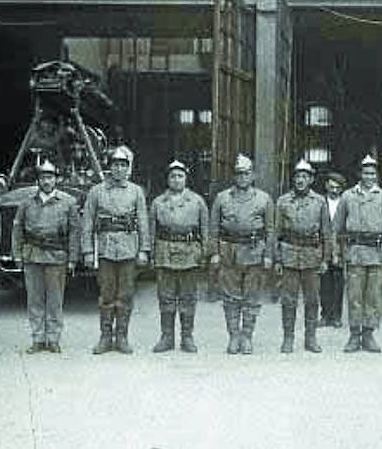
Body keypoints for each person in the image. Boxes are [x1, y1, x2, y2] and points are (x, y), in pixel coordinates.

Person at [81, 145, 150, 354]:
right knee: (106, 294)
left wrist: (144, 249)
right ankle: (105, 337)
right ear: (109, 167)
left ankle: (122, 337)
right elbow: (88, 222)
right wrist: (87, 250)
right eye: (115, 165)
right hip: (105, 249)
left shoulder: (136, 191)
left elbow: (143, 222)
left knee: (126, 294)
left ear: (127, 168)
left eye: (123, 165)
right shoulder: (96, 191)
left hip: (128, 248)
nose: (119, 169)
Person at [208, 154, 274, 355]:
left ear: (252, 175)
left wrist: (269, 255)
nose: (242, 177)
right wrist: (214, 253)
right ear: (234, 176)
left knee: (252, 297)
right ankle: (234, 336)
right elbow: (213, 228)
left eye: (246, 173)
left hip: (254, 251)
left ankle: (247, 336)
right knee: (230, 296)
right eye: (239, 174)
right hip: (229, 251)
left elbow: (270, 229)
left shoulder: (264, 199)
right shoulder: (222, 198)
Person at [12, 159, 79, 353]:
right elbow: (17, 230)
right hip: (33, 255)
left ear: (56, 179)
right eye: (43, 177)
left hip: (57, 256)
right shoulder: (26, 203)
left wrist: (73, 258)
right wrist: (17, 255)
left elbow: (74, 232)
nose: (47, 181)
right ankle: (38, 338)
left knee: (55, 300)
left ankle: (53, 339)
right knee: (35, 299)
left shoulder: (68, 203)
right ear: (38, 180)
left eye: (50, 177)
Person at [333, 155, 382, 353]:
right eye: (365, 172)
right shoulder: (348, 196)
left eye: (372, 173)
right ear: (359, 174)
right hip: (355, 253)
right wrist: (337, 251)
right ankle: (354, 335)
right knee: (354, 296)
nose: (369, 176)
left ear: (376, 175)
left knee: (373, 297)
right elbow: (337, 226)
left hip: (377, 253)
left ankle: (369, 334)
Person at [148, 160, 209, 353]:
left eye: (180, 176)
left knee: (188, 298)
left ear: (186, 178)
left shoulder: (197, 201)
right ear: (167, 179)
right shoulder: (158, 202)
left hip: (190, 253)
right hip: (165, 252)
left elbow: (205, 229)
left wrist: (205, 253)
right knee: (165, 298)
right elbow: (152, 230)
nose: (176, 179)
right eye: (173, 176)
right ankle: (167, 337)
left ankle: (187, 337)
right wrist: (150, 254)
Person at [274, 159, 332, 354]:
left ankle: (310, 338)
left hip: (312, 256)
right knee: (288, 300)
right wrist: (277, 259)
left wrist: (325, 259)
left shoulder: (320, 201)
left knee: (312, 300)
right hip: (289, 254)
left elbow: (326, 232)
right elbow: (276, 231)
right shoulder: (283, 201)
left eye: (305, 177)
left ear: (311, 180)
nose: (300, 180)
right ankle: (288, 338)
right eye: (298, 176)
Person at [319, 171, 346, 328]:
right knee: (324, 282)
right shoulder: (320, 201)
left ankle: (337, 316)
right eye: (331, 186)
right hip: (323, 245)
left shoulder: (345, 202)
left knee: (338, 282)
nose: (334, 190)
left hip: (341, 246)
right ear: (326, 186)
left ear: (341, 189)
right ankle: (325, 315)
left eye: (337, 187)